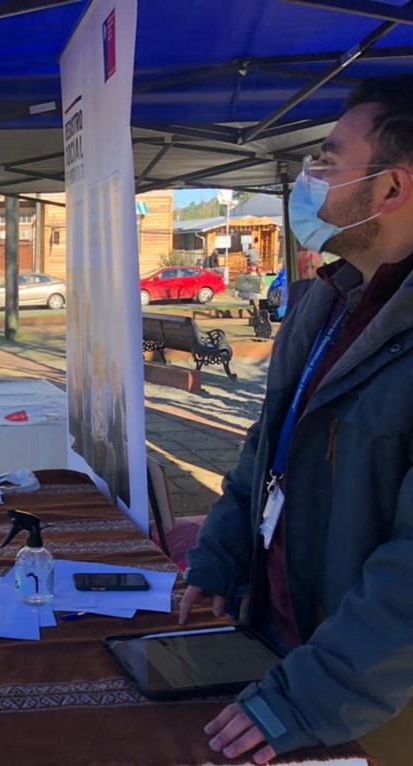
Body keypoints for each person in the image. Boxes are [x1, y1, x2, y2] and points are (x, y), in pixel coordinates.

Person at [179, 75, 413, 766]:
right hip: (283, 651)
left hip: (364, 702)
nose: (308, 180)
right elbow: (269, 447)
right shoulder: (328, 299)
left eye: (328, 163)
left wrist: (306, 698)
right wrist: (222, 554)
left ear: (391, 188)